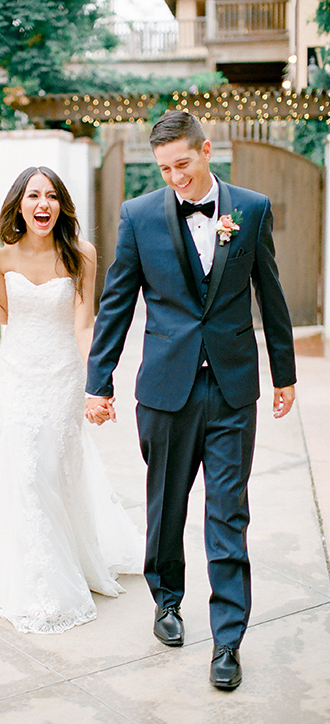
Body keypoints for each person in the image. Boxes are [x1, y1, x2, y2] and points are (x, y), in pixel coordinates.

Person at [85, 111, 296, 689]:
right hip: (165, 389)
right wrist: (98, 380)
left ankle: (228, 639)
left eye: (183, 163)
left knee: (228, 511)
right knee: (166, 506)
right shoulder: (138, 215)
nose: (175, 177)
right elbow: (117, 302)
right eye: (164, 168)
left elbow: (270, 293)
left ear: (206, 151)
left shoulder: (249, 209)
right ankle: (167, 600)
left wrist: (284, 373)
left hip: (232, 388)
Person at [0, 166, 143, 634]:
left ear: (61, 205)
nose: (42, 205)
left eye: (51, 196)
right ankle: (34, 582)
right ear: (20, 203)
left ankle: (64, 569)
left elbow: (84, 324)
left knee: (50, 471)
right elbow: (4, 314)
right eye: (33, 196)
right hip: (15, 376)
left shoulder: (81, 255)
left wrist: (98, 382)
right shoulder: (1, 256)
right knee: (23, 476)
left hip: (61, 377)